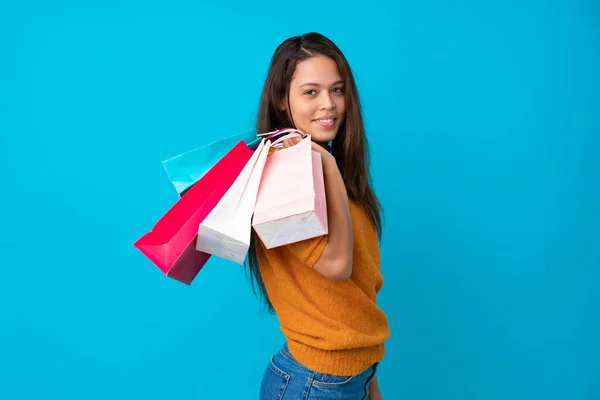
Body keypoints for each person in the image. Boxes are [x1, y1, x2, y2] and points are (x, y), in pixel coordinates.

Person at [247, 32, 390, 400]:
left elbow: (355, 294)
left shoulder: (332, 170)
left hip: (350, 376)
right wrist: (325, 164)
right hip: (312, 383)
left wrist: (370, 385)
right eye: (311, 92)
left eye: (337, 90)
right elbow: (337, 265)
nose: (328, 104)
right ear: (283, 100)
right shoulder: (281, 174)